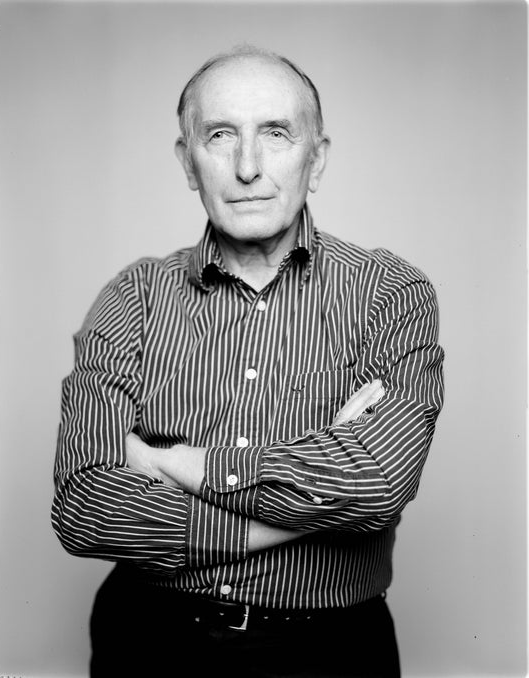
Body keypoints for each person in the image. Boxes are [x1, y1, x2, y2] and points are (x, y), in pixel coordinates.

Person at [52, 45, 444, 678]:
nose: (248, 167)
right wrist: (313, 503)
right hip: (149, 643)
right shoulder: (133, 297)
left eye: (276, 134)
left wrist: (176, 464)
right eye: (220, 135)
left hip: (329, 652)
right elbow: (85, 509)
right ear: (188, 162)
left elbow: (376, 485)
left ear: (317, 159)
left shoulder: (389, 293)